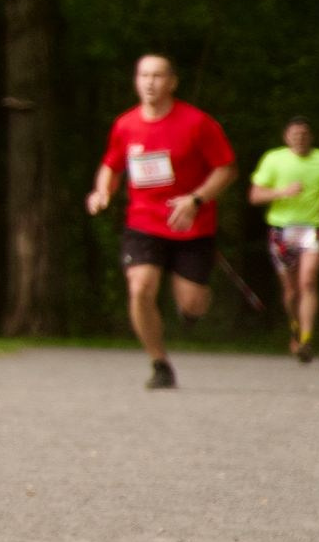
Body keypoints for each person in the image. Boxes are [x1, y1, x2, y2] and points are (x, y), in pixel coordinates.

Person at [85, 53, 236, 391]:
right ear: (136, 81)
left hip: (190, 224)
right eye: (143, 76)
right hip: (143, 222)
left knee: (192, 302)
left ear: (172, 82)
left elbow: (226, 168)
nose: (150, 83)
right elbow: (111, 165)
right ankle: (159, 363)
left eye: (157, 76)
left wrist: (196, 199)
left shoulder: (197, 123)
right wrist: (101, 192)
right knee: (139, 287)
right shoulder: (126, 125)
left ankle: (191, 310)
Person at [249, 115, 319, 362]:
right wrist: (282, 192)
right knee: (290, 290)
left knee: (308, 281)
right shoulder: (273, 159)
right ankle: (295, 325)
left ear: (311, 137)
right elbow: (255, 196)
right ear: (286, 137)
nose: (299, 139)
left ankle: (307, 340)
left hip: (315, 225)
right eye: (294, 135)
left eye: (304, 134)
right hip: (282, 228)